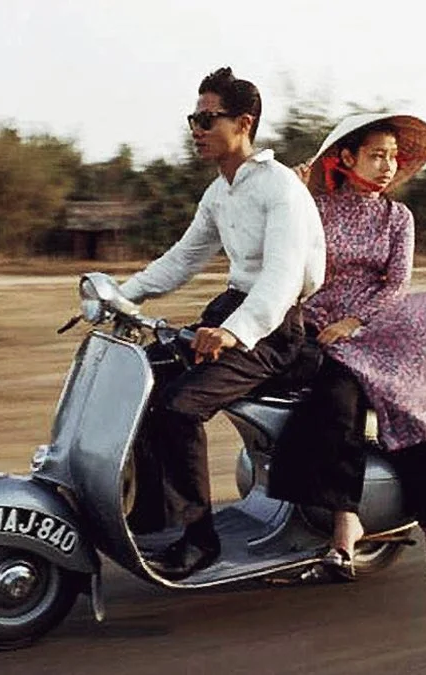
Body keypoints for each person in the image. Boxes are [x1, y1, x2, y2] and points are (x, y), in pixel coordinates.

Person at [267, 112, 426, 579]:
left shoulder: (398, 217)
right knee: (333, 402)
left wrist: (354, 321)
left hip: (381, 331)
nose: (387, 166)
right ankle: (346, 521)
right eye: (376, 155)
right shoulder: (314, 209)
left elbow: (396, 283)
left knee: (407, 411)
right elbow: (279, 254)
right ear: (346, 158)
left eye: (392, 157)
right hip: (321, 332)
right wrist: (292, 193)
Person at [119, 67, 326, 580]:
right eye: (194, 118)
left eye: (208, 118)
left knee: (179, 409)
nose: (197, 128)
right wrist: (116, 296)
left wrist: (235, 331)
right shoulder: (221, 191)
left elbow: (281, 279)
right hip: (231, 311)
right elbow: (182, 259)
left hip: (272, 330)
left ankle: (199, 540)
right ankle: (151, 519)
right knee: (142, 378)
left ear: (244, 122)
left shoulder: (279, 188)